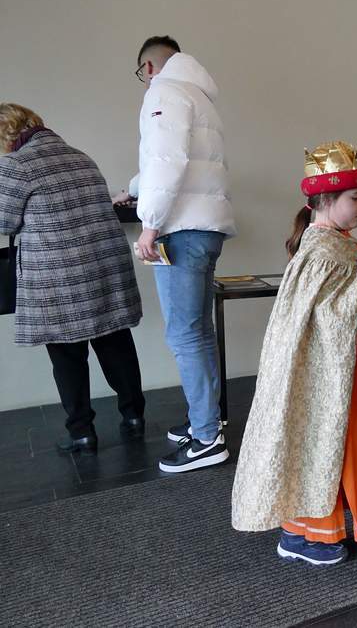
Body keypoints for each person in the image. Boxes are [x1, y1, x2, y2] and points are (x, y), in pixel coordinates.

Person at [232, 142, 357, 565]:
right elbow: (319, 321)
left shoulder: (342, 244)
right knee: (328, 444)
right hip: (335, 378)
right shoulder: (318, 250)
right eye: (355, 198)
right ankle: (309, 534)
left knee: (347, 445)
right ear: (326, 200)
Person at [0, 103, 145, 454]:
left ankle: (81, 432)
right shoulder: (81, 156)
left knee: (67, 353)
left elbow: (4, 222)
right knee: (115, 342)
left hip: (58, 274)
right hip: (104, 265)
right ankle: (134, 416)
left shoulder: (16, 165)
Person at [129, 36, 237, 473]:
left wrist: (149, 224)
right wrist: (133, 190)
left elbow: (165, 159)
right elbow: (180, 163)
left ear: (149, 68)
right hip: (207, 227)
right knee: (199, 332)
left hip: (180, 231)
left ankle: (207, 438)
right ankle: (206, 419)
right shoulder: (199, 95)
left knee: (184, 335)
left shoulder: (164, 91)